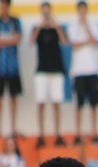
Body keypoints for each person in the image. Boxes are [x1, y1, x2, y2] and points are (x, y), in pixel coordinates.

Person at [32, 1, 67, 148]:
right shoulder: (37, 28)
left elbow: (64, 41)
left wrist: (56, 25)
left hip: (56, 70)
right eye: (44, 12)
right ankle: (41, 134)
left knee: (56, 102)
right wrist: (41, 26)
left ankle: (57, 134)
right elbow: (31, 41)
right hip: (42, 70)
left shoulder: (57, 28)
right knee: (41, 102)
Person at [68, 0, 98, 145]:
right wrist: (87, 41)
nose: (82, 13)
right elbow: (74, 45)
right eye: (80, 10)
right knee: (79, 103)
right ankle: (78, 133)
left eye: (84, 10)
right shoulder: (73, 27)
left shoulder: (93, 26)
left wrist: (86, 27)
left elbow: (95, 41)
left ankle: (94, 132)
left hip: (92, 69)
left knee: (94, 102)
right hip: (78, 71)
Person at [0, 0, 23, 137]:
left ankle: (13, 128)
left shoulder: (15, 22)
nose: (3, 9)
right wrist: (9, 40)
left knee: (13, 97)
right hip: (0, 67)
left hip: (13, 67)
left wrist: (2, 41)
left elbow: (18, 39)